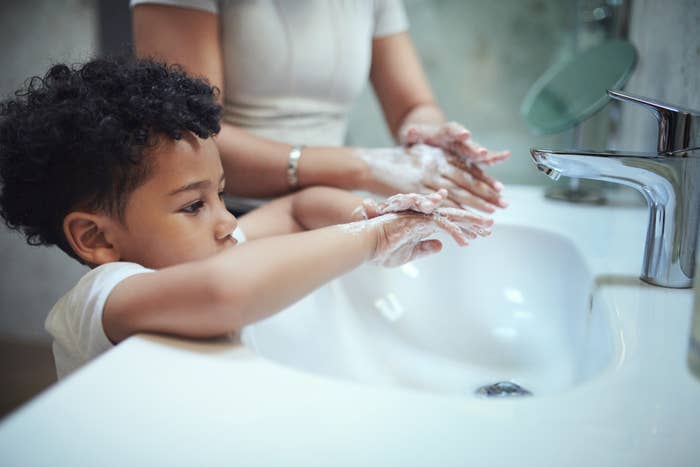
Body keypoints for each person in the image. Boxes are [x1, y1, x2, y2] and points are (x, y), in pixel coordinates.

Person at [0, 57, 492, 378]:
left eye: (221, 194)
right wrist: (375, 236)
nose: (224, 221)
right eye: (193, 205)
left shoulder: (208, 244)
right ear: (95, 238)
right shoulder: (105, 296)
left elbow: (301, 209)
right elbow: (224, 291)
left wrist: (369, 214)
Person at [130, 0, 511, 214]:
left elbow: (415, 105)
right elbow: (186, 141)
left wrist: (426, 131)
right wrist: (362, 168)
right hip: (222, 215)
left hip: (331, 206)